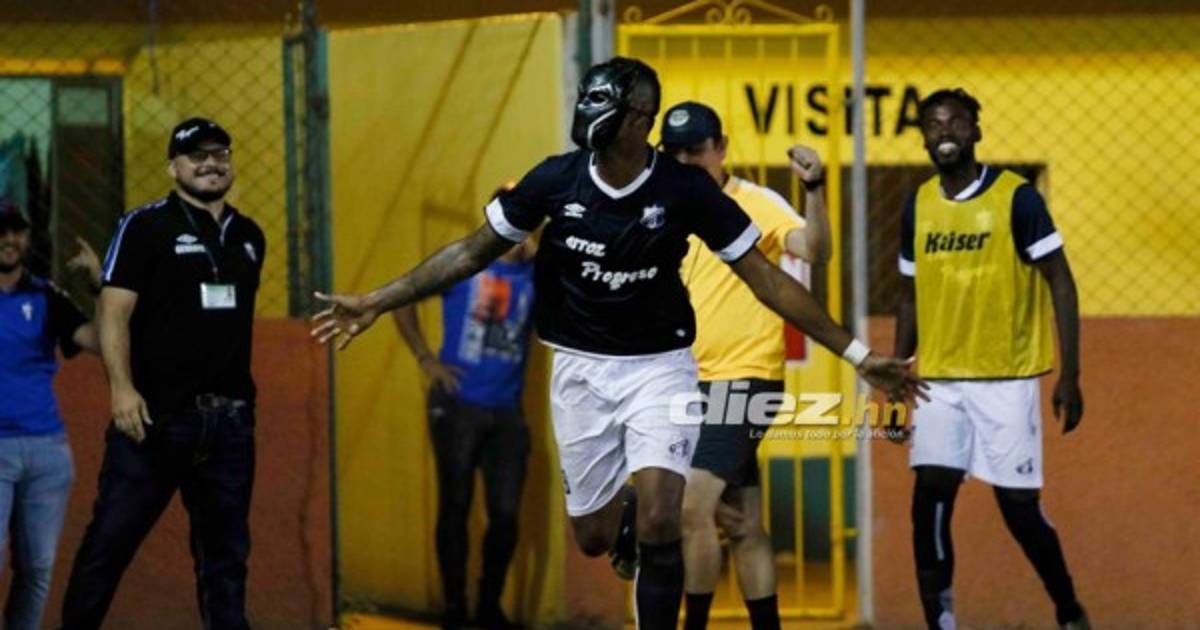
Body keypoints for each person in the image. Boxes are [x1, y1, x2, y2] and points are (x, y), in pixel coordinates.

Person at [312, 57, 923, 629]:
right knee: (594, 537)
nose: (587, 109)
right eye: (587, 97)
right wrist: (376, 300)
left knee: (665, 517)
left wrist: (860, 356)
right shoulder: (555, 180)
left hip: (661, 368)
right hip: (580, 371)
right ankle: (622, 515)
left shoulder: (685, 191)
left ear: (637, 119)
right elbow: (472, 251)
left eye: (600, 101)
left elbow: (768, 280)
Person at [893, 88, 1089, 630]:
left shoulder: (1016, 198)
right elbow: (908, 296)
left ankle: (1068, 608)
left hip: (1006, 378)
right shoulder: (918, 204)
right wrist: (896, 373)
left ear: (976, 131)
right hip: (939, 380)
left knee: (1019, 510)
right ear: (924, 137)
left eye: (956, 121)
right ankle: (941, 621)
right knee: (929, 497)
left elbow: (1061, 281)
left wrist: (1070, 374)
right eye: (934, 124)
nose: (945, 131)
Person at [61, 118, 267, 629]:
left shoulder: (249, 236)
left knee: (226, 562)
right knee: (108, 546)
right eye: (197, 155)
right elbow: (114, 314)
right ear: (173, 167)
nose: (211, 163)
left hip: (230, 425)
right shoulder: (144, 226)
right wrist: (122, 391)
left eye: (220, 153)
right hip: (155, 420)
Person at [659, 101, 830, 630]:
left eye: (696, 150)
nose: (685, 162)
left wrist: (815, 189)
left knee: (692, 509)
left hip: (745, 378)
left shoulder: (755, 203)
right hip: (686, 383)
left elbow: (815, 250)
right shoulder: (663, 208)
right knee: (741, 522)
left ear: (722, 148)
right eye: (674, 152)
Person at [392, 211, 536, 630]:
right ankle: (455, 607)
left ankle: (489, 606)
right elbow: (403, 298)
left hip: (507, 411)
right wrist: (427, 360)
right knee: (455, 506)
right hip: (457, 404)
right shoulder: (466, 262)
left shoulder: (536, 273)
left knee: (505, 515)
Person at [0, 204, 99, 630]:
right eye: (1, 232)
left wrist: (99, 284)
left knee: (38, 567)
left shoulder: (46, 295)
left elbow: (98, 340)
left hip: (47, 451)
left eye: (17, 231)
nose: (9, 240)